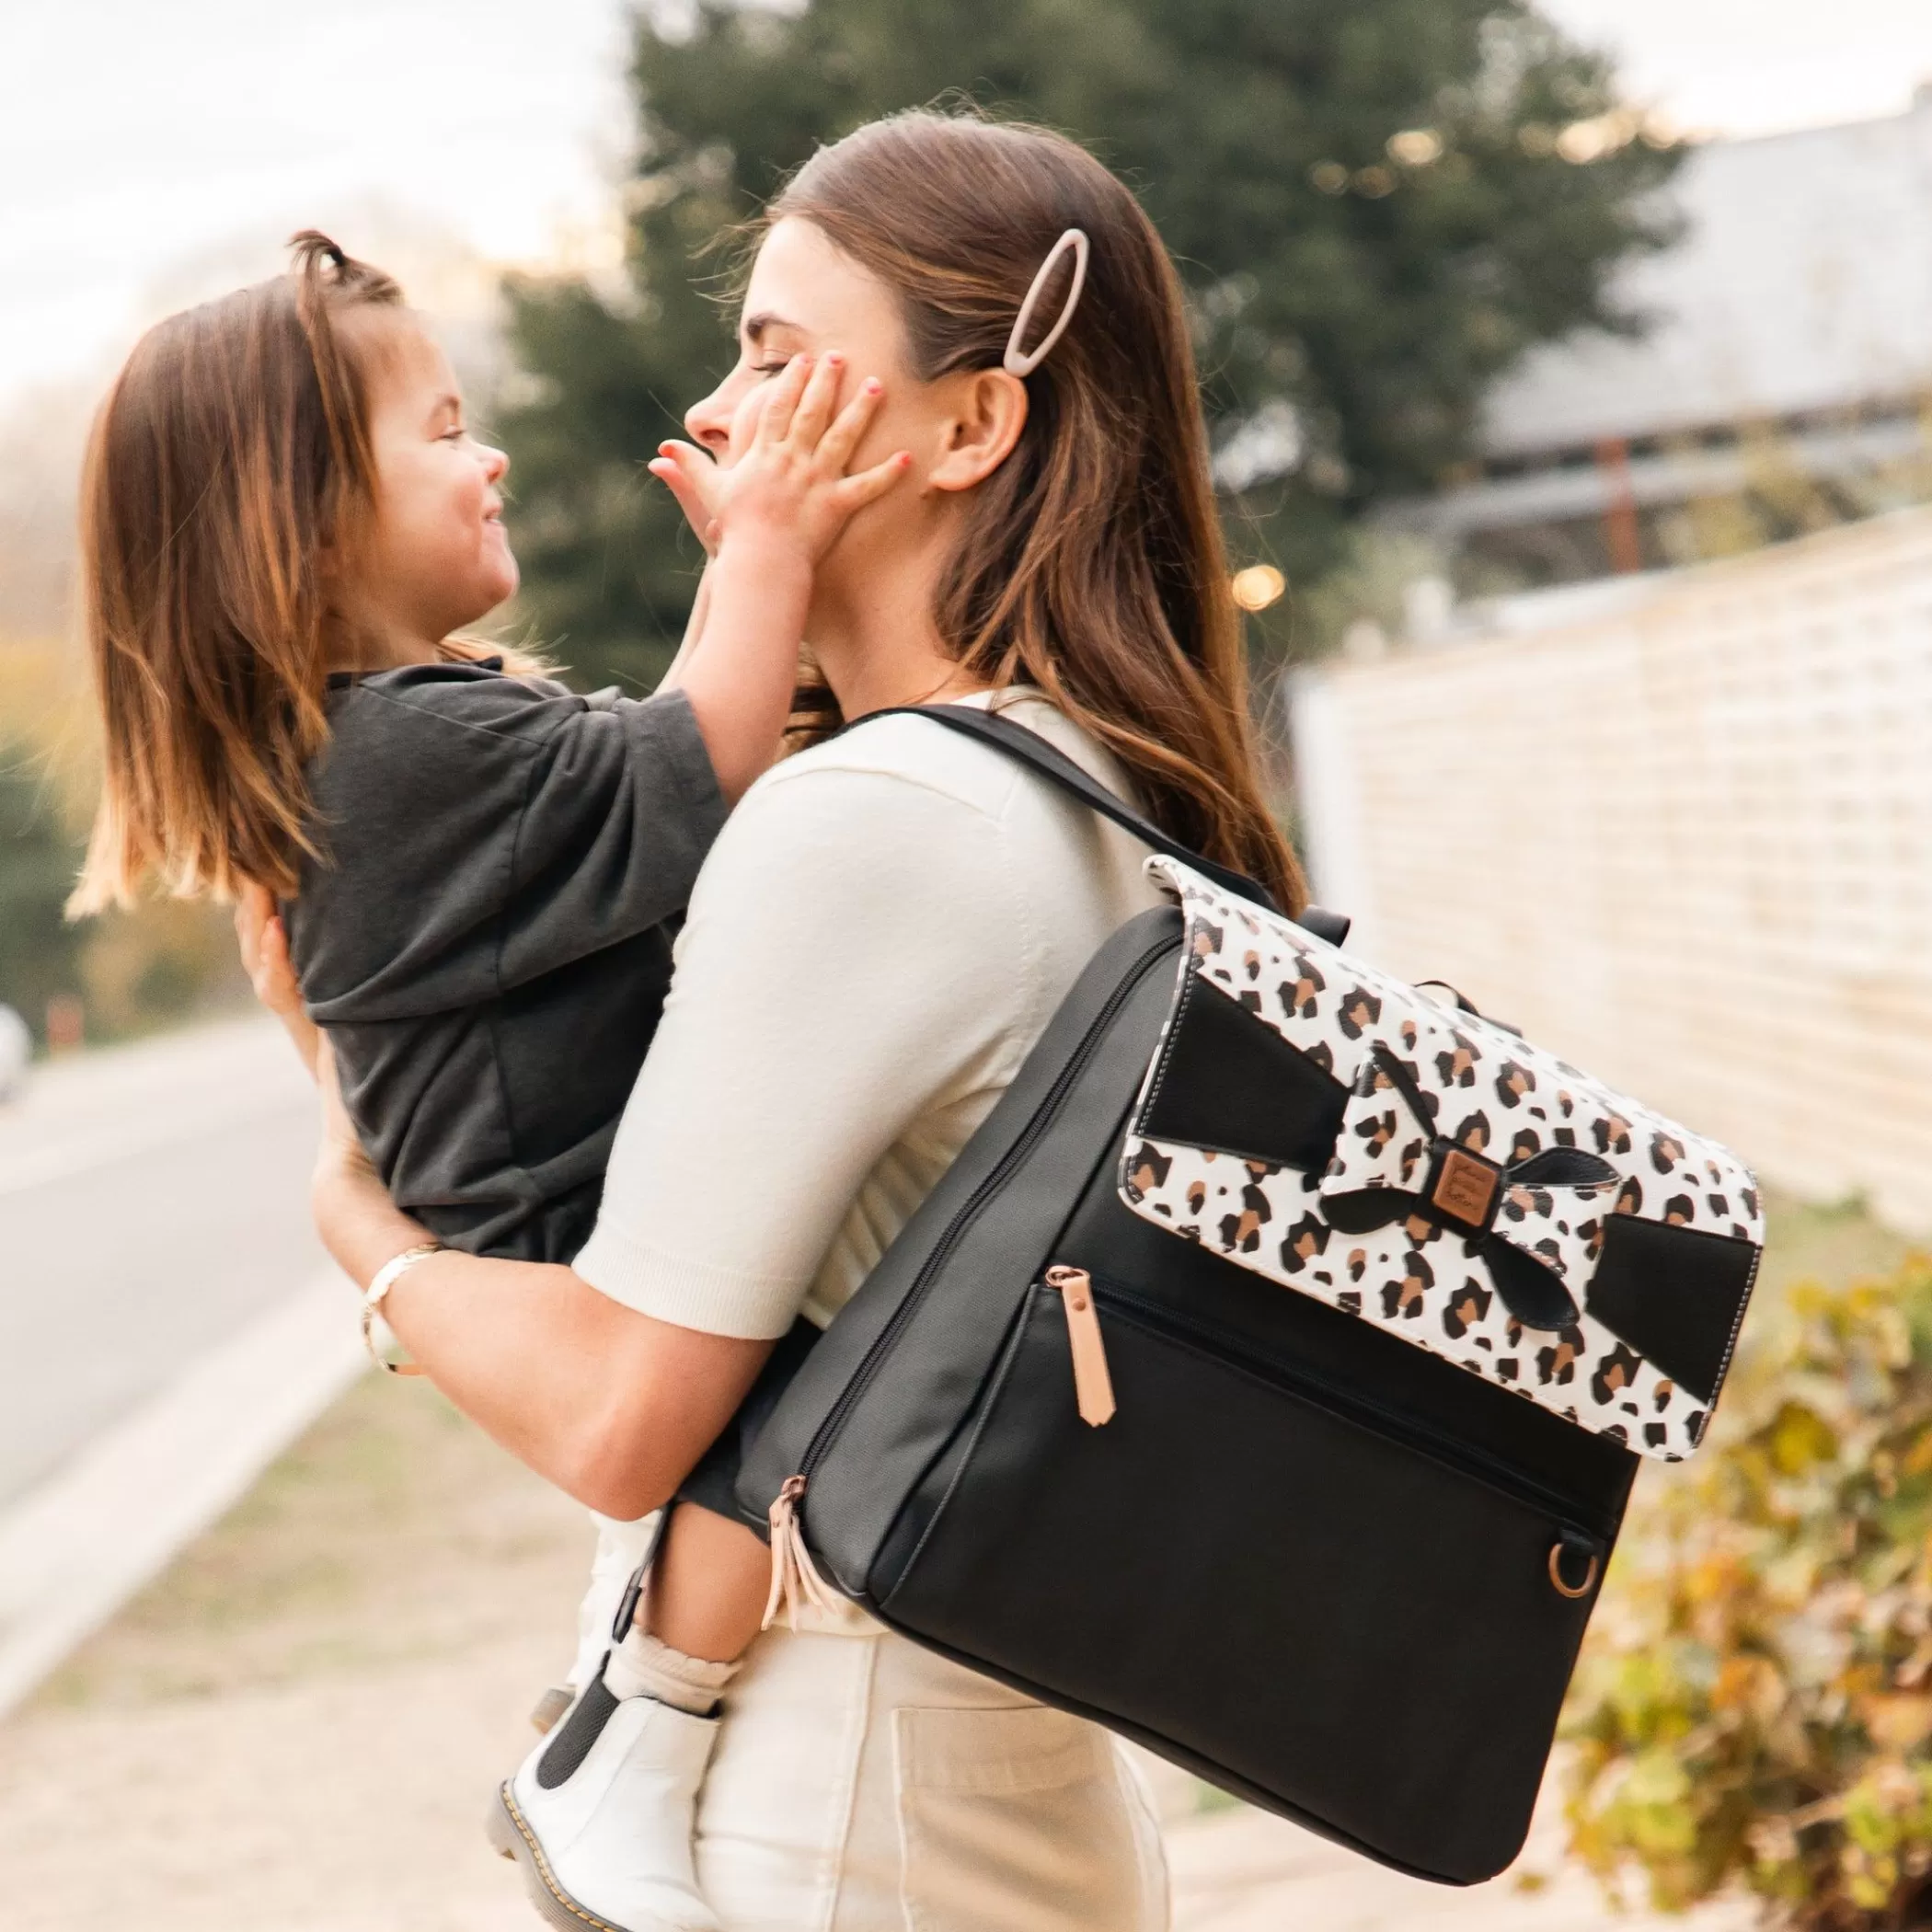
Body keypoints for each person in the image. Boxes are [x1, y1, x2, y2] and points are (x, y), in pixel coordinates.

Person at [247, 109, 1310, 1931]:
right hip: (995, 1796)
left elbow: (613, 1418)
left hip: (839, 1825)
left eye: (771, 356)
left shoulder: (879, 827)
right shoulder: (1091, 785)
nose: (722, 414)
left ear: (973, 427)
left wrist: (360, 1229)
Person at [67, 231, 906, 1932]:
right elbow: (696, 764)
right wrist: (765, 552)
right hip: (561, 1210)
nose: (492, 452)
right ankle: (629, 1743)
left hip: (539, 1180)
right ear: (303, 520)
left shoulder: (404, 735)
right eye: (442, 427)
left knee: (768, 1435)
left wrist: (772, 599)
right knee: (794, 1421)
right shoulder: (397, 750)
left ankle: (623, 1677)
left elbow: (669, 790)